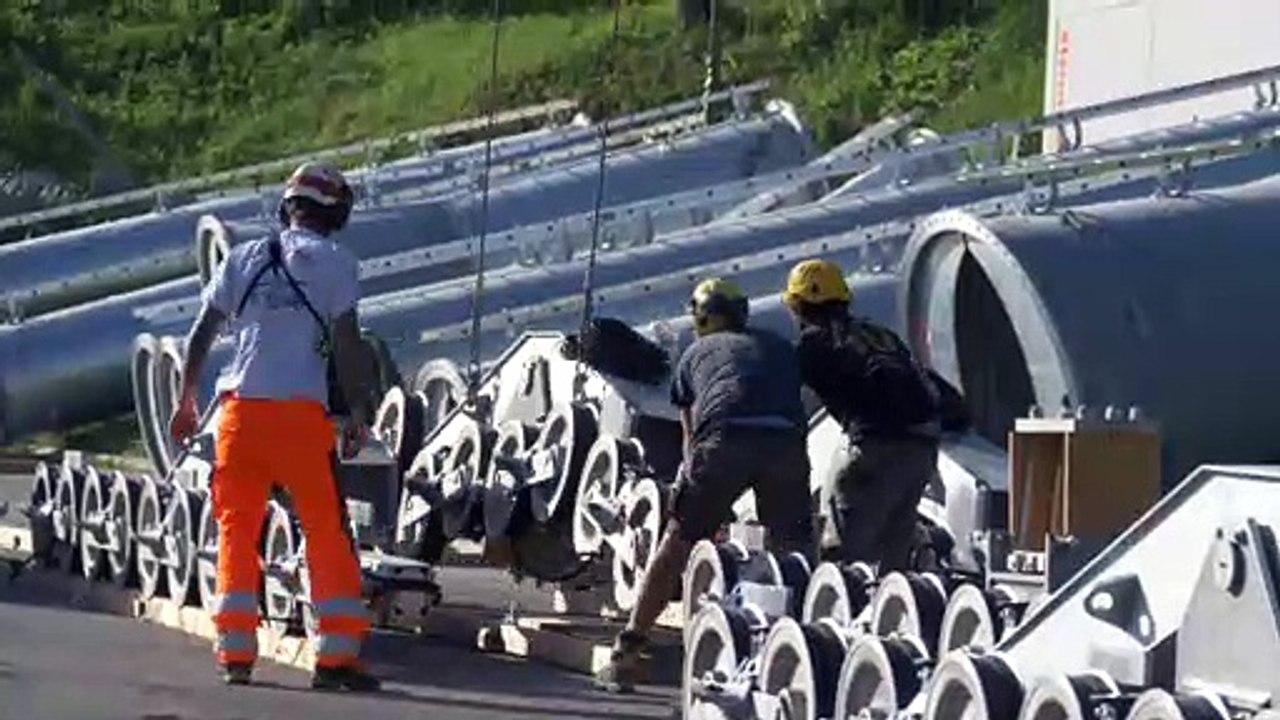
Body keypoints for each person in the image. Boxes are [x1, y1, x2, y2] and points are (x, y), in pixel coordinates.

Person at [169, 161, 380, 692]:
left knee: (236, 530)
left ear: (288, 208)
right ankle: (334, 659)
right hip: (300, 418)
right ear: (337, 215)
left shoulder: (243, 258)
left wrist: (186, 401)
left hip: (239, 416)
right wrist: (358, 409)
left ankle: (235, 654)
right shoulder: (338, 264)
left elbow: (201, 333)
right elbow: (348, 343)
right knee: (324, 531)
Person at [595, 278, 815, 693]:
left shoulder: (694, 353)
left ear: (700, 317)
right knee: (792, 552)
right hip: (785, 444)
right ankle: (799, 650)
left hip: (723, 441)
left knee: (674, 545)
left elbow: (691, 437)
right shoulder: (779, 347)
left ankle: (627, 653)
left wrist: (695, 495)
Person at [782, 259, 942, 573]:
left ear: (798, 306)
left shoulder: (812, 346)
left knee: (844, 555)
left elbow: (788, 403)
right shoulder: (880, 334)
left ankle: (844, 595)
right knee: (895, 558)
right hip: (922, 448)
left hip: (871, 447)